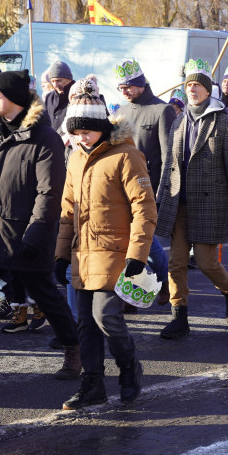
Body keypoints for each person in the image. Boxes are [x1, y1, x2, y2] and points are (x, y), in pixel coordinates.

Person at [0, 69, 79, 382]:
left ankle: (73, 348)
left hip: (25, 238)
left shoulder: (45, 138)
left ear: (12, 98)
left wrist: (35, 237)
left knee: (46, 297)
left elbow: (49, 193)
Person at [55, 95, 157, 410]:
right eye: (76, 132)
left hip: (115, 253)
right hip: (82, 254)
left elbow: (144, 208)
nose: (81, 137)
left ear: (100, 127)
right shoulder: (73, 157)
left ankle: (129, 368)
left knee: (105, 317)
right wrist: (60, 254)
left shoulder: (127, 156)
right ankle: (93, 384)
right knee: (85, 323)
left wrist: (137, 255)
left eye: (87, 131)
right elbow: (68, 210)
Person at [156, 59, 228, 339]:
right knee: (176, 262)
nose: (192, 89)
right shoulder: (179, 121)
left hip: (210, 204)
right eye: (189, 84)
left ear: (209, 90)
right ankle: (179, 316)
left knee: (208, 263)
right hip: (180, 203)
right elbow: (169, 164)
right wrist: (162, 196)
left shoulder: (225, 123)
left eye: (198, 84)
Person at [115, 58, 175, 195]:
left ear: (140, 83)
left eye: (127, 87)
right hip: (122, 188)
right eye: (121, 88)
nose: (124, 93)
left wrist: (163, 193)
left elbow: (169, 157)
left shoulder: (162, 110)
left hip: (149, 188)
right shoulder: (121, 112)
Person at [43, 60, 75, 142]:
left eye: (59, 80)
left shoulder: (76, 96)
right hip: (51, 142)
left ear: (69, 79)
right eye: (53, 81)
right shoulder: (49, 97)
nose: (55, 85)